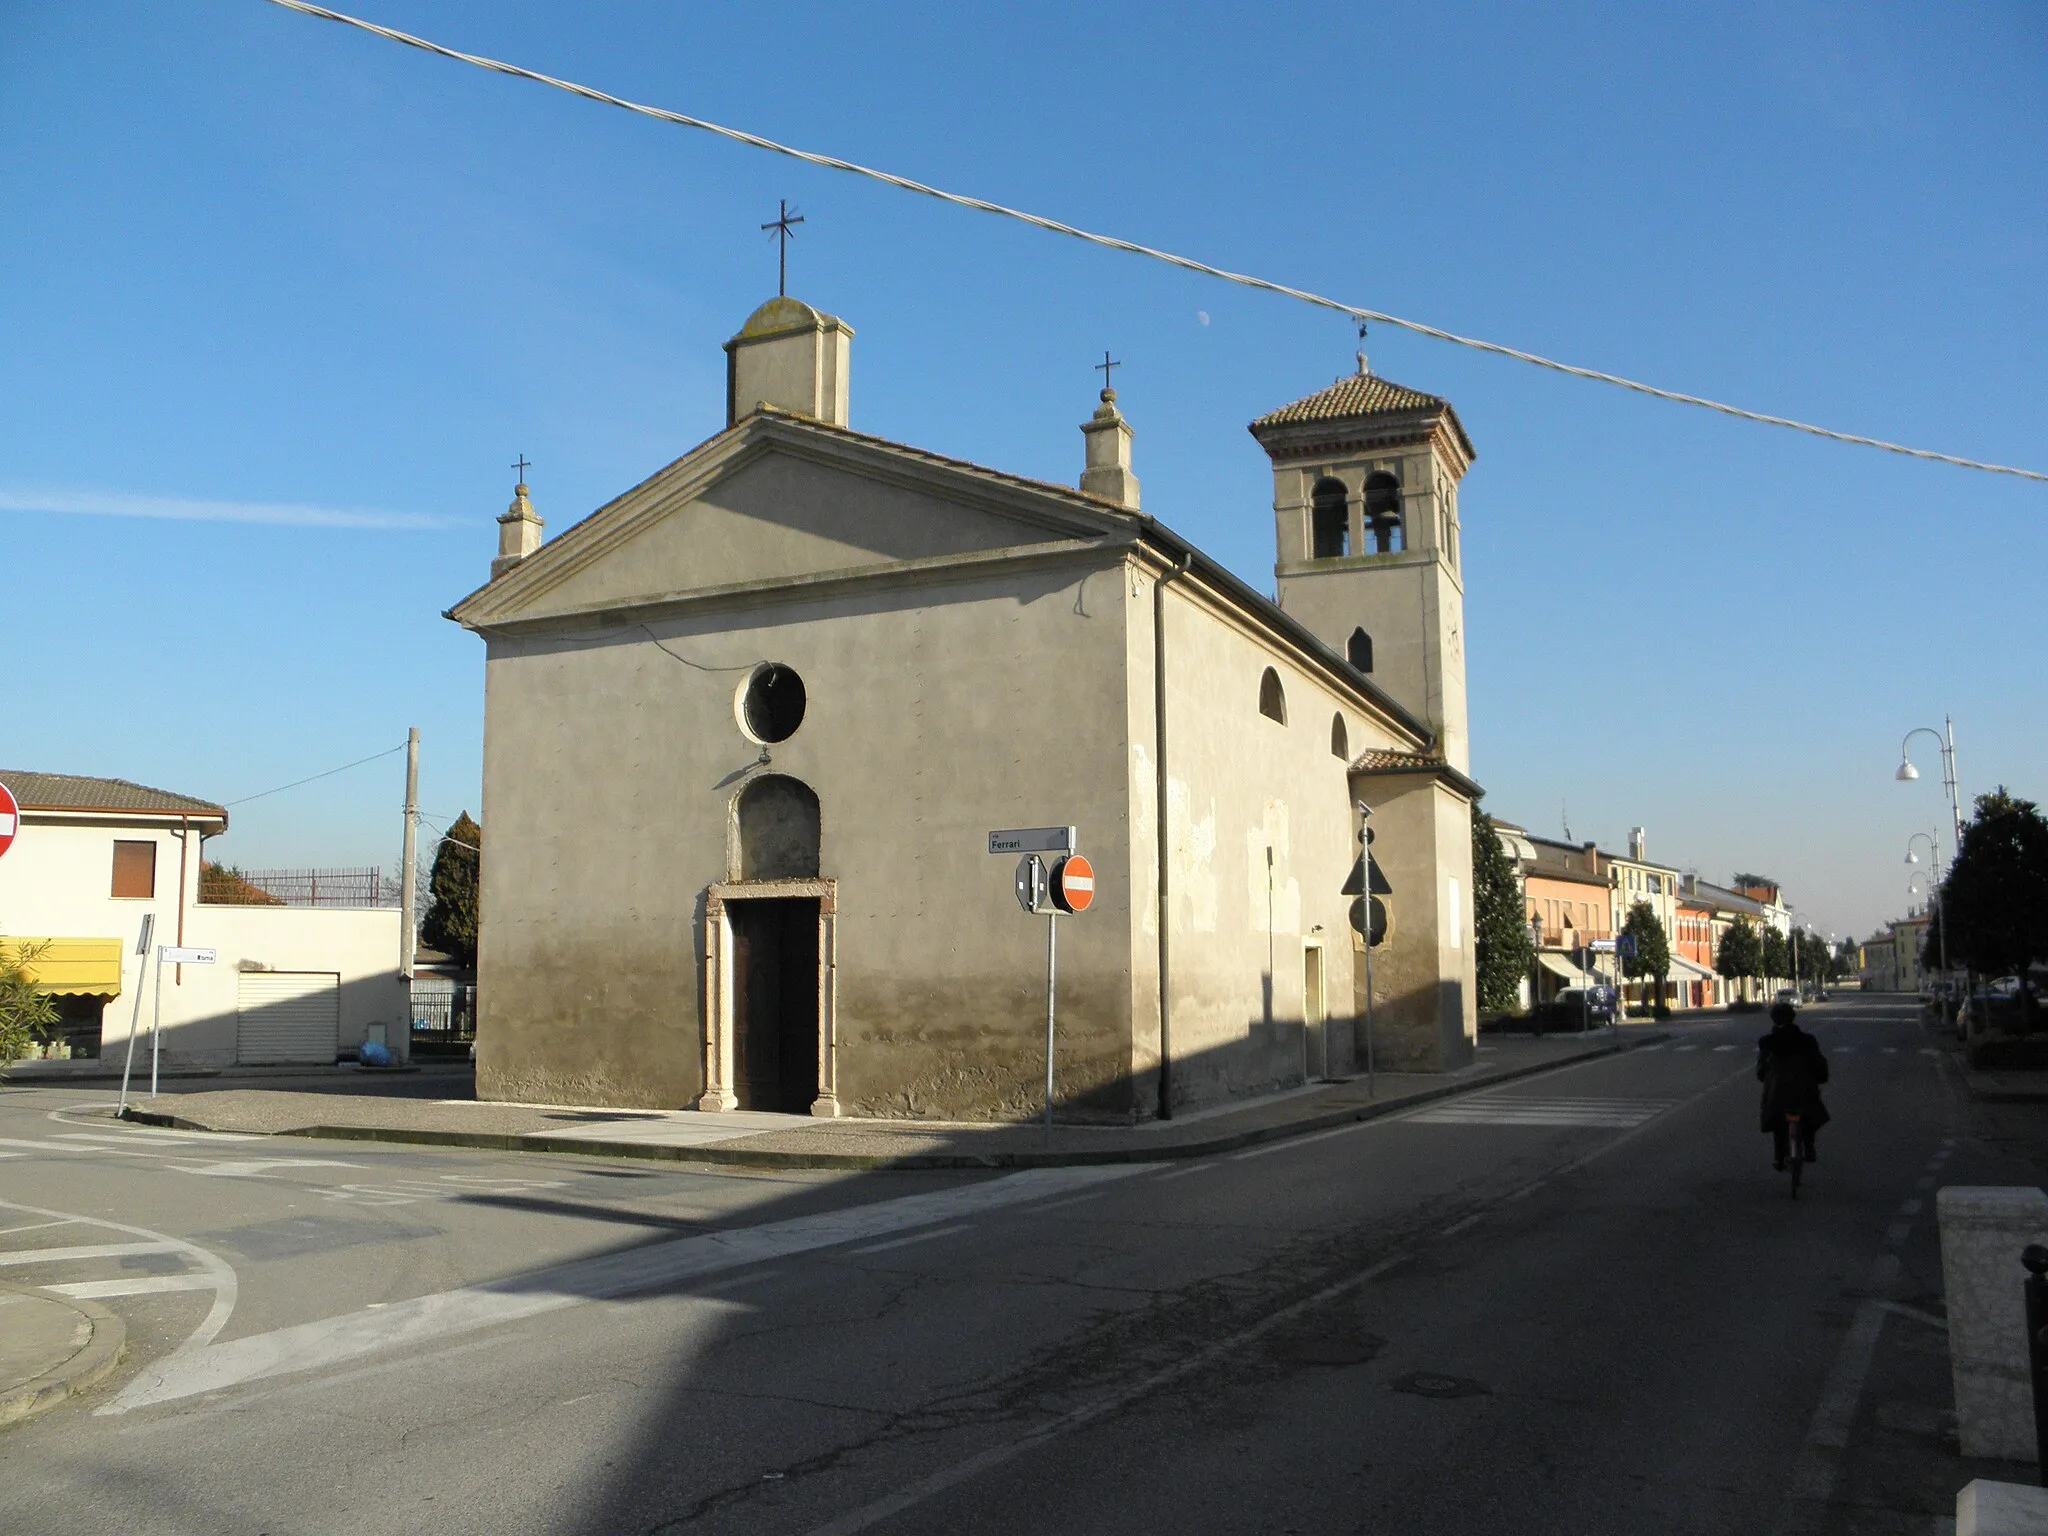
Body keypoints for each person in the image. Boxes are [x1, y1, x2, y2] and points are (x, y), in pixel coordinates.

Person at [1757, 999, 1829, 1170]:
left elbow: (1761, 1070)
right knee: (1812, 1113)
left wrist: (1765, 1078)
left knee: (1775, 1118)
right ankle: (1809, 1146)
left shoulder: (1766, 1042)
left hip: (1777, 1094)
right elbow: (1819, 1064)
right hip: (1804, 1092)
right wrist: (1819, 1078)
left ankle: (1778, 1156)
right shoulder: (1807, 1040)